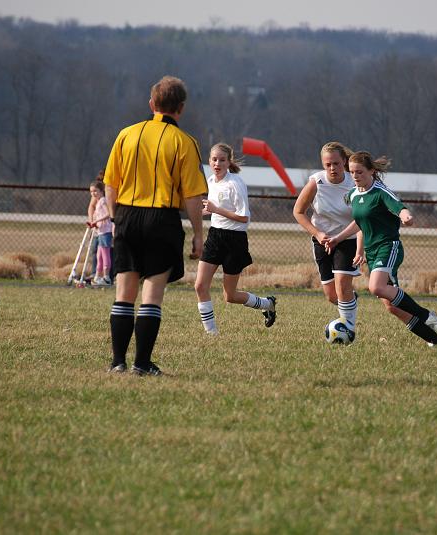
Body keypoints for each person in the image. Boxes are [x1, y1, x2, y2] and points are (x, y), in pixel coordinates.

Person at [103, 75, 208, 376]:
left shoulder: (127, 134)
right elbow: (192, 195)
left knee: (124, 291)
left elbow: (111, 184)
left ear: (152, 104)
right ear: (181, 108)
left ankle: (117, 362)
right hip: (161, 219)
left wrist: (115, 219)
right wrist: (198, 235)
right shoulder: (185, 143)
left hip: (127, 215)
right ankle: (141, 363)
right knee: (152, 293)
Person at [327, 151, 437, 347]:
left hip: (388, 246)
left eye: (360, 172)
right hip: (372, 252)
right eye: (352, 172)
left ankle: (427, 316)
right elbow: (361, 223)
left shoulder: (380, 191)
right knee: (391, 306)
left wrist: (405, 216)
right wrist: (349, 245)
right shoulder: (353, 195)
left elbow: (399, 207)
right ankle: (436, 340)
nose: (355, 176)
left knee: (376, 287)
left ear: (372, 171)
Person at [194, 143, 276, 334]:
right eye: (214, 159)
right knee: (200, 286)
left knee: (229, 296)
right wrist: (205, 212)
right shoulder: (211, 181)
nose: (217, 163)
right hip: (215, 237)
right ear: (209, 161)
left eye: (222, 160)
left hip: (234, 240)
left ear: (229, 162)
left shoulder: (235, 183)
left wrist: (216, 209)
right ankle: (211, 333)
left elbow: (244, 217)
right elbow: (215, 209)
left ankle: (267, 304)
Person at [293, 142, 362, 331]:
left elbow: (361, 217)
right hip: (322, 241)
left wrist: (341, 237)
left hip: (347, 240)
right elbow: (298, 212)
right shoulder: (316, 182)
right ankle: (350, 301)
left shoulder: (354, 183)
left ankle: (348, 328)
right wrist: (318, 233)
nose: (332, 168)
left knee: (341, 284)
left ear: (344, 162)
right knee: (332, 295)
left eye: (336, 164)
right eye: (328, 164)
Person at [88, 180, 113, 286]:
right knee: (99, 255)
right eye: (91, 192)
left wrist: (97, 221)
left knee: (105, 254)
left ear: (101, 191)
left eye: (95, 191)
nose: (93, 193)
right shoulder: (98, 202)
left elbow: (109, 214)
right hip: (100, 231)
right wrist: (93, 221)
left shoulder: (103, 201)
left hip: (106, 231)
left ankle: (106, 277)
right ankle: (98, 276)